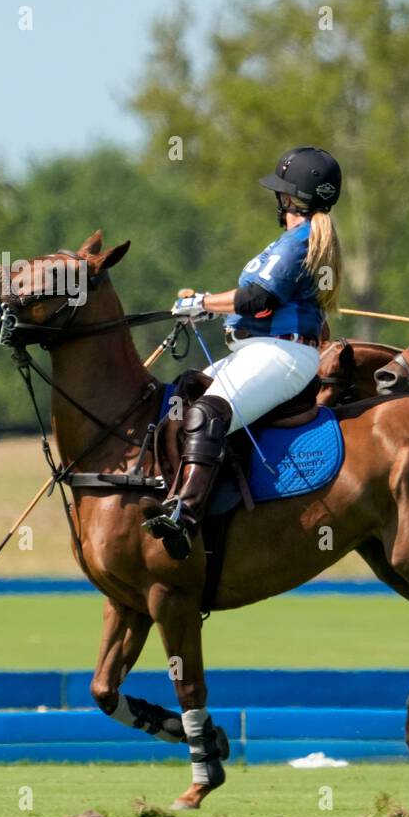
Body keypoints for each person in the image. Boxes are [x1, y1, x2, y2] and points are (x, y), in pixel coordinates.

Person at [141, 146, 344, 560]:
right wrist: (218, 311)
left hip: (282, 355)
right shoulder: (294, 240)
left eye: (281, 194)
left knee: (205, 413)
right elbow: (262, 307)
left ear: (290, 198)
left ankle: (184, 515)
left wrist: (203, 301)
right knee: (180, 401)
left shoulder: (299, 241)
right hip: (261, 349)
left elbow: (257, 297)